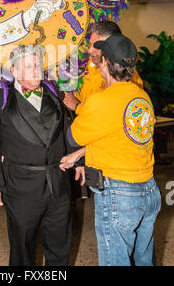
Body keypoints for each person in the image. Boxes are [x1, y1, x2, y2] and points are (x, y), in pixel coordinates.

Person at [60, 34, 161, 266]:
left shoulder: (101, 101)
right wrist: (80, 154)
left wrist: (80, 108)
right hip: (148, 190)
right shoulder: (142, 96)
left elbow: (73, 136)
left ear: (104, 62)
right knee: (144, 259)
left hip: (119, 193)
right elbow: (119, 136)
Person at [0, 44, 72, 266]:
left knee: (60, 247)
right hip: (21, 188)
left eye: (38, 65)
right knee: (22, 249)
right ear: (15, 70)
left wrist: (78, 160)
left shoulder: (52, 92)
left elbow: (65, 130)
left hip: (58, 184)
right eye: (29, 66)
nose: (36, 70)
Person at [63, 21, 143, 114]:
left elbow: (114, 113)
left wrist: (77, 107)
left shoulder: (126, 76)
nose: (90, 50)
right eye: (90, 44)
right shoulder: (85, 64)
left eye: (97, 46)